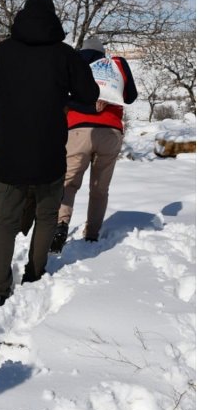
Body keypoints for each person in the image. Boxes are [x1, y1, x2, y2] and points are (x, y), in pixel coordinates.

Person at [0, 0, 99, 309]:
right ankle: (34, 273)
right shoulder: (64, 54)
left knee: (4, 222)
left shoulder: (2, 51)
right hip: (49, 152)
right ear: (53, 19)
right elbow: (89, 94)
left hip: (10, 154)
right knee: (46, 217)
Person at [53, 36, 140, 251]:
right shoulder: (115, 66)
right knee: (100, 188)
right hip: (111, 132)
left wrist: (86, 108)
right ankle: (92, 234)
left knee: (69, 183)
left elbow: (60, 97)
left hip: (78, 130)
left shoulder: (73, 65)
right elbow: (130, 97)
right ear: (102, 53)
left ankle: (60, 225)